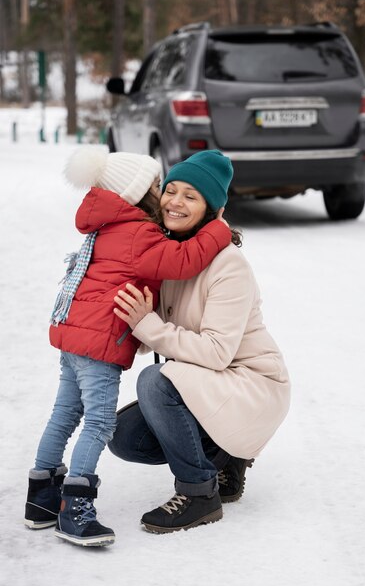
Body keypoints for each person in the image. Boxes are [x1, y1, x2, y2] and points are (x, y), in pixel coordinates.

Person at [24, 147, 231, 547]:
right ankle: (75, 508)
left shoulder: (107, 225)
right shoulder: (140, 232)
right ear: (135, 193)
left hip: (75, 338)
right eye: (156, 186)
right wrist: (219, 228)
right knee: (99, 422)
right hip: (99, 345)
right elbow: (183, 260)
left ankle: (41, 499)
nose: (163, 192)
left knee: (64, 413)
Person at [110, 149, 291, 534]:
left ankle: (198, 493)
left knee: (156, 381)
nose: (174, 202)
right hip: (209, 384)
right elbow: (153, 328)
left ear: (212, 210)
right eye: (170, 190)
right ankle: (225, 456)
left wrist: (147, 326)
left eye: (190, 196)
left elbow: (215, 352)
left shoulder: (228, 265)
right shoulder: (169, 256)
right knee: (124, 437)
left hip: (251, 385)